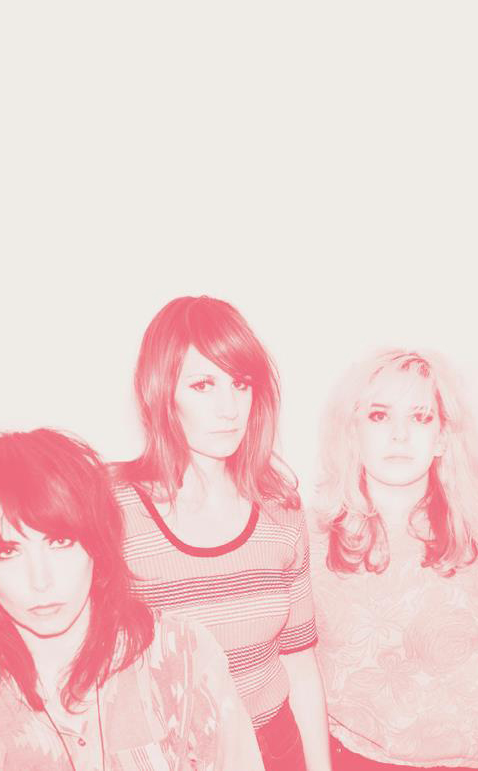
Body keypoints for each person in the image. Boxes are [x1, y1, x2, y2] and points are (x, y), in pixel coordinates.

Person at [0, 428, 263, 771]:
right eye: (7, 552)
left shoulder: (180, 652)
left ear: (97, 544)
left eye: (60, 542)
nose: (41, 581)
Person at [114, 295, 330, 771]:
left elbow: (301, 666)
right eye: (203, 384)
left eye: (241, 384)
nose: (229, 407)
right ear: (160, 391)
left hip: (276, 748)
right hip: (171, 756)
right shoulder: (114, 511)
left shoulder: (280, 512)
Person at [311, 349, 478, 771]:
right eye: (379, 416)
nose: (400, 435)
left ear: (443, 436)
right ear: (352, 431)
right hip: (348, 759)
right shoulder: (309, 535)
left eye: (420, 417)